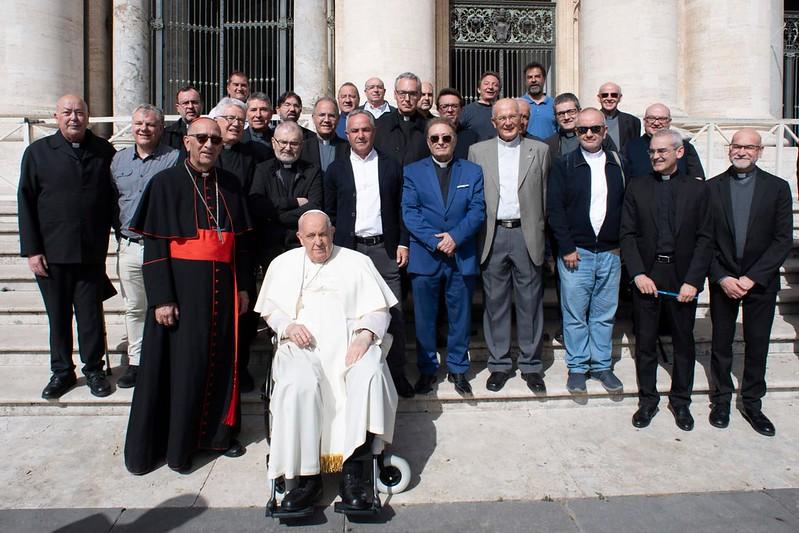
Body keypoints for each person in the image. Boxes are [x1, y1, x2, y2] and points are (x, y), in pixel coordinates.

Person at [124, 117, 253, 474]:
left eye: (215, 139)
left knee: (222, 362)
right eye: (202, 138)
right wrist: (162, 298)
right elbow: (156, 246)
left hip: (224, 292)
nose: (209, 144)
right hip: (182, 294)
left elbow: (239, 244)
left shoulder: (231, 184)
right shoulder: (164, 184)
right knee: (182, 368)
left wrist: (242, 286)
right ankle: (178, 445)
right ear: (187, 142)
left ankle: (217, 436)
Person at [254, 210, 398, 512]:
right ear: (299, 238)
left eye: (323, 234)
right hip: (301, 346)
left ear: (333, 232)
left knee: (370, 372)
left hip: (349, 343)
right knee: (298, 382)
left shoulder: (357, 262)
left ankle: (354, 474)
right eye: (311, 236)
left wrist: (365, 334)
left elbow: (378, 310)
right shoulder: (283, 265)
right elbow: (272, 310)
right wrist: (288, 327)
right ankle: (308, 479)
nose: (318, 242)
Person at [19, 94, 117, 399]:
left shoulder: (103, 151)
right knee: (58, 316)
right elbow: (26, 202)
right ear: (56, 116)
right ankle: (61, 372)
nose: (74, 117)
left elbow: (114, 199)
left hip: (89, 251)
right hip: (51, 253)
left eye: (79, 112)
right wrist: (32, 250)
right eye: (67, 112)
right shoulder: (38, 153)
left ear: (88, 116)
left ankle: (94, 370)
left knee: (89, 315)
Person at [620, 129, 713, 431]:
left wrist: (694, 281)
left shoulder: (699, 190)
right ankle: (648, 400)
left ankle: (681, 401)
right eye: (652, 152)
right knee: (645, 342)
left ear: (679, 152)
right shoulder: (637, 187)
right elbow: (628, 235)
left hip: (682, 276)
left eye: (663, 151)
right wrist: (637, 274)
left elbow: (706, 238)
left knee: (684, 342)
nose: (657, 157)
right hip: (648, 274)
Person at [707, 128, 792, 437]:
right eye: (736, 146)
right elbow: (705, 240)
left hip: (761, 282)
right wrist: (722, 276)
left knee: (757, 345)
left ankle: (753, 403)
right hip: (724, 280)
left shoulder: (778, 188)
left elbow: (783, 240)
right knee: (721, 344)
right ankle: (721, 400)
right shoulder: (713, 188)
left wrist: (752, 277)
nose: (741, 152)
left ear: (760, 152)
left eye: (748, 147)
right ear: (730, 149)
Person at [324, 109, 413, 398]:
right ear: (346, 135)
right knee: (349, 313)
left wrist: (403, 242)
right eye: (354, 131)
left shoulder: (390, 165)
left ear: (373, 132)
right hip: (350, 251)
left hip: (384, 250)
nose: (360, 135)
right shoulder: (336, 169)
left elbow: (402, 207)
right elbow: (331, 212)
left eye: (365, 130)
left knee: (393, 313)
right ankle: (350, 372)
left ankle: (397, 374)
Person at [468, 99, 550, 393]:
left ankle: (530, 366)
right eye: (501, 118)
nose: (507, 122)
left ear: (521, 119)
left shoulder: (539, 151)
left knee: (529, 303)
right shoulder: (477, 152)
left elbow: (544, 198)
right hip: (493, 235)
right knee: (496, 304)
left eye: (512, 117)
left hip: (527, 234)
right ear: (493, 122)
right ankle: (499, 364)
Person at [402, 118, 485, 395]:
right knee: (424, 319)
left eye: (446, 138)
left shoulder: (472, 171)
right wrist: (436, 242)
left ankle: (458, 369)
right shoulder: (413, 172)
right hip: (426, 257)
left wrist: (455, 238)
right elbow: (410, 213)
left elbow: (477, 211)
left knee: (460, 317)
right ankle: (427, 370)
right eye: (435, 138)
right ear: (428, 142)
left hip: (460, 255)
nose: (440, 142)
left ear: (455, 140)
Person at [547, 108, 626, 395]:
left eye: (595, 129)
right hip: (576, 253)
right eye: (583, 130)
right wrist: (566, 247)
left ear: (605, 131)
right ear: (576, 132)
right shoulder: (564, 165)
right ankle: (578, 367)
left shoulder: (619, 164)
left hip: (610, 253)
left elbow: (627, 207)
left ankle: (602, 365)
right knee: (575, 314)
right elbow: (555, 209)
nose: (589, 134)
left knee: (604, 314)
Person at [110, 104, 180, 389]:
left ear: (161, 128)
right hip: (129, 245)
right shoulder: (117, 161)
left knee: (166, 304)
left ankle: (165, 359)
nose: (144, 128)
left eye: (150, 124)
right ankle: (137, 362)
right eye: (139, 123)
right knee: (134, 307)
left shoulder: (174, 158)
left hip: (162, 247)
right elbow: (111, 201)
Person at [213, 101, 272, 393]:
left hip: (246, 244)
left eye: (239, 119)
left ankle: (241, 367)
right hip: (211, 247)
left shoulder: (257, 154)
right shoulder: (205, 153)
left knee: (246, 313)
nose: (235, 124)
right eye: (229, 118)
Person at [249, 121, 323, 267]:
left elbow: (314, 207)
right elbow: (257, 205)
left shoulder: (312, 171)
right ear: (273, 142)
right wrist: (295, 202)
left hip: (301, 248)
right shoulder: (262, 170)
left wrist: (275, 217)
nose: (288, 148)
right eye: (283, 142)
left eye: (294, 143)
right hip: (269, 248)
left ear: (301, 145)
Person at [623, 103, 704, 179]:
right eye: (651, 118)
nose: (656, 123)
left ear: (669, 122)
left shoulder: (684, 147)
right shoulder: (630, 147)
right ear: (644, 121)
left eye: (662, 119)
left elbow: (697, 178)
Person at [374, 72, 430, 166]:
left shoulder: (429, 128)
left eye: (412, 94)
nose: (407, 99)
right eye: (402, 93)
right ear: (395, 95)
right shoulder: (379, 126)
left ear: (419, 95)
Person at [544, 93, 615, 160]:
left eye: (571, 112)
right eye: (561, 114)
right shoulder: (549, 144)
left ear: (580, 111)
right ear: (555, 117)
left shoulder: (599, 136)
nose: (566, 117)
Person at [300, 96, 349, 171]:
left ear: (338, 119)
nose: (326, 120)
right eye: (322, 115)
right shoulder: (302, 149)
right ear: (313, 118)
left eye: (331, 116)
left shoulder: (348, 149)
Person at [596, 82, 641, 151]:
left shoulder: (633, 121)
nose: (609, 98)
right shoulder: (591, 121)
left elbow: (636, 149)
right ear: (599, 98)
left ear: (619, 98)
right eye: (605, 95)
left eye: (614, 95)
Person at [437, 88, 479, 160]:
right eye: (445, 106)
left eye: (454, 106)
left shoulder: (471, 137)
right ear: (438, 110)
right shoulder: (430, 136)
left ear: (461, 110)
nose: (450, 110)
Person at [460, 71, 500, 141]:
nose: (490, 87)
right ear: (478, 89)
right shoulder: (466, 111)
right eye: (486, 84)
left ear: (499, 91)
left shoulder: (502, 111)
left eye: (495, 85)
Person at [520, 62, 557, 140]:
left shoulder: (554, 104)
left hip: (550, 150)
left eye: (537, 76)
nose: (533, 80)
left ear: (543, 79)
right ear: (525, 81)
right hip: (525, 149)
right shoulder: (519, 104)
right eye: (529, 77)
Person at [164, 86, 202, 152]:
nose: (190, 106)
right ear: (178, 108)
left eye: (194, 102)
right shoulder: (167, 135)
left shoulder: (212, 132)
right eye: (185, 103)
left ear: (202, 105)